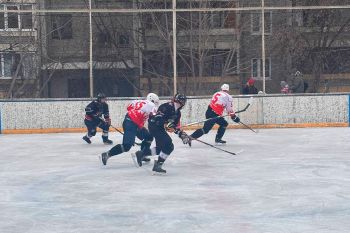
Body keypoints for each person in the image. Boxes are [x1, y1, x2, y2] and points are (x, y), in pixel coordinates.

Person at [133, 93, 191, 174]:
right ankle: (157, 165)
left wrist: (182, 135)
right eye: (183, 101)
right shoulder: (166, 106)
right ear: (179, 101)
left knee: (161, 149)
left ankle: (142, 154)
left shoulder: (178, 113)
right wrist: (166, 124)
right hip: (154, 126)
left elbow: (174, 127)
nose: (183, 103)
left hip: (159, 128)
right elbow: (158, 118)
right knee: (169, 145)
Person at [100, 93, 160, 166]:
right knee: (127, 146)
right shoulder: (152, 105)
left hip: (129, 122)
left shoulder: (137, 101)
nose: (156, 104)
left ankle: (142, 154)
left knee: (149, 137)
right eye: (156, 102)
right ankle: (107, 154)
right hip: (132, 124)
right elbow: (154, 117)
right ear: (152, 100)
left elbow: (128, 107)